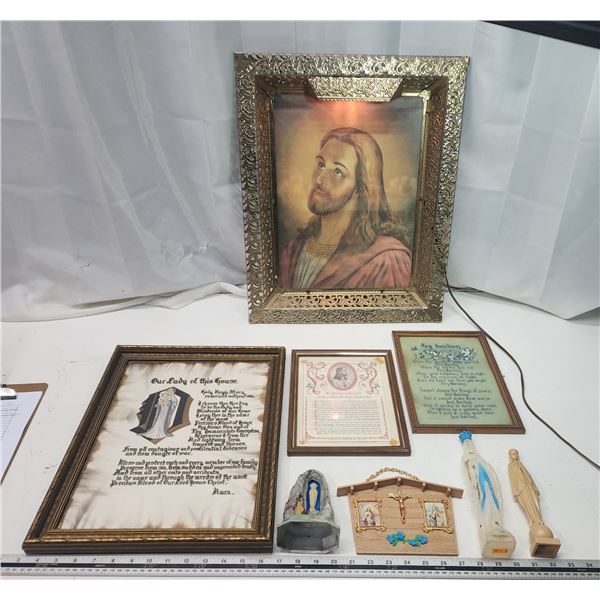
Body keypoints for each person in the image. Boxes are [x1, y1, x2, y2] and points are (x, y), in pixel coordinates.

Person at [279, 127, 412, 290]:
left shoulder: (386, 260)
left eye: (338, 171)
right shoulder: (293, 251)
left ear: (360, 189)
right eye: (321, 165)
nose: (320, 179)